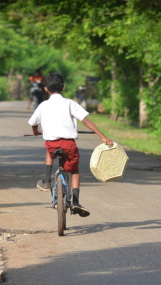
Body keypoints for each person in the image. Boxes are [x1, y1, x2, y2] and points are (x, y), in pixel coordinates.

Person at [28, 71, 113, 217]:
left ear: (46, 89)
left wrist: (35, 131)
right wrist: (102, 137)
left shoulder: (43, 105)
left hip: (52, 144)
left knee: (49, 151)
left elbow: (33, 123)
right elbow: (85, 120)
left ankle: (47, 181)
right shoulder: (70, 103)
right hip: (69, 145)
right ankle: (76, 201)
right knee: (74, 170)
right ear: (63, 88)